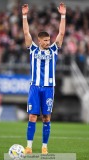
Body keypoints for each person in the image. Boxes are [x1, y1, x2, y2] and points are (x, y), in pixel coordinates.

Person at [22, 2, 66, 154]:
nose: (48, 43)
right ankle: (28, 146)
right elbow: (26, 32)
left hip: (48, 88)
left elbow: (61, 33)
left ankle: (44, 147)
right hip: (35, 87)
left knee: (46, 118)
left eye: (49, 40)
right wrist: (24, 15)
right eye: (45, 41)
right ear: (39, 41)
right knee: (32, 117)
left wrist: (63, 15)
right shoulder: (33, 48)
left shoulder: (54, 49)